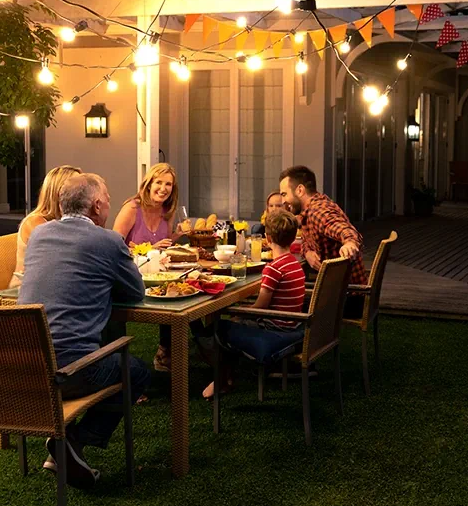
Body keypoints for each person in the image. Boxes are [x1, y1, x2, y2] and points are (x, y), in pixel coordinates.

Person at [18, 173, 150, 489]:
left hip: (26, 367)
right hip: (70, 372)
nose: (108, 203)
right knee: (137, 371)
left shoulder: (40, 235)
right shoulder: (108, 241)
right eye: (106, 198)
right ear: (96, 206)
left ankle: (67, 446)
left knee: (97, 340)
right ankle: (74, 440)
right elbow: (135, 293)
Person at [202, 210, 306, 398]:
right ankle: (228, 376)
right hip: (292, 324)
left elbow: (261, 307)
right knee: (234, 322)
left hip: (274, 326)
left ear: (267, 238)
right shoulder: (295, 263)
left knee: (221, 327)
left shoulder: (273, 268)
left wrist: (240, 311)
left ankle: (222, 378)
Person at [113, 162, 180, 372]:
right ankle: (121, 367)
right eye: (159, 182)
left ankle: (165, 352)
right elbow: (114, 246)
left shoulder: (167, 211)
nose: (163, 188)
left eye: (168, 184)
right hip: (129, 276)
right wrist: (149, 248)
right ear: (149, 184)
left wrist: (177, 236)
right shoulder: (133, 208)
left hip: (157, 275)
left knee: (177, 295)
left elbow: (163, 248)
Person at [278, 165, 367, 314]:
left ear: (300, 190)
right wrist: (307, 253)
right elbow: (306, 239)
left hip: (348, 297)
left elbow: (344, 229)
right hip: (340, 291)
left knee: (280, 301)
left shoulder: (318, 211)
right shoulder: (310, 210)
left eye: (284, 194)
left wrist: (350, 243)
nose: (283, 200)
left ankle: (291, 335)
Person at [8, 165, 81, 288]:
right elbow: (62, 256)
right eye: (77, 188)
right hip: (26, 289)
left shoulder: (65, 220)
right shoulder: (35, 222)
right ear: (59, 191)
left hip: (55, 283)